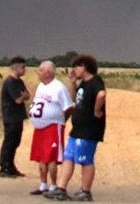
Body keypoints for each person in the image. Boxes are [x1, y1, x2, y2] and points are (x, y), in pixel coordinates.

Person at [45, 54, 105, 202]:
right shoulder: (83, 84)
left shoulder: (95, 81)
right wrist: (72, 83)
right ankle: (61, 189)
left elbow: (101, 95)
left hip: (89, 129)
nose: (74, 70)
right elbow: (74, 99)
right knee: (69, 157)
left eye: (76, 67)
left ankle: (86, 191)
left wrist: (97, 110)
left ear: (84, 66)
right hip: (77, 128)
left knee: (85, 160)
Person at [27, 60, 74, 196]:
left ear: (48, 73)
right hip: (40, 127)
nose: (38, 73)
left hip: (53, 126)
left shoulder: (58, 87)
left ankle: (54, 185)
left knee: (51, 157)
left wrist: (62, 120)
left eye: (40, 70)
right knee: (41, 156)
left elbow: (69, 107)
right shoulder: (41, 86)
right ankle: (43, 184)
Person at [0, 56, 31, 178]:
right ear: (16, 68)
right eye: (23, 67)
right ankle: (4, 167)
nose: (24, 70)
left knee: (15, 142)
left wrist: (24, 96)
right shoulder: (10, 82)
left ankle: (11, 166)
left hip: (17, 116)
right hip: (10, 116)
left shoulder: (19, 81)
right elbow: (18, 99)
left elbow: (28, 95)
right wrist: (23, 96)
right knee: (9, 142)